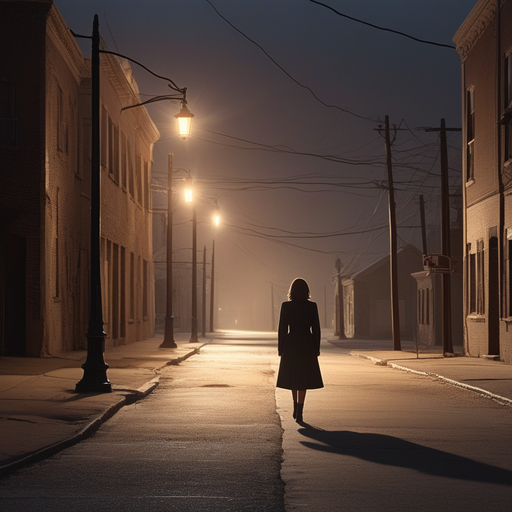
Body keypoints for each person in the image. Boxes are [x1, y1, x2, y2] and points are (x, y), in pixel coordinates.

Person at [276, 277, 323, 423]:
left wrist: (281, 348)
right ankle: (300, 410)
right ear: (307, 291)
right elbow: (316, 329)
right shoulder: (312, 306)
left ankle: (295, 406)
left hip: (291, 343)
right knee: (303, 377)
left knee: (292, 376)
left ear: (292, 291)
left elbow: (282, 329)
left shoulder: (286, 306)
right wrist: (316, 348)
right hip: (306, 343)